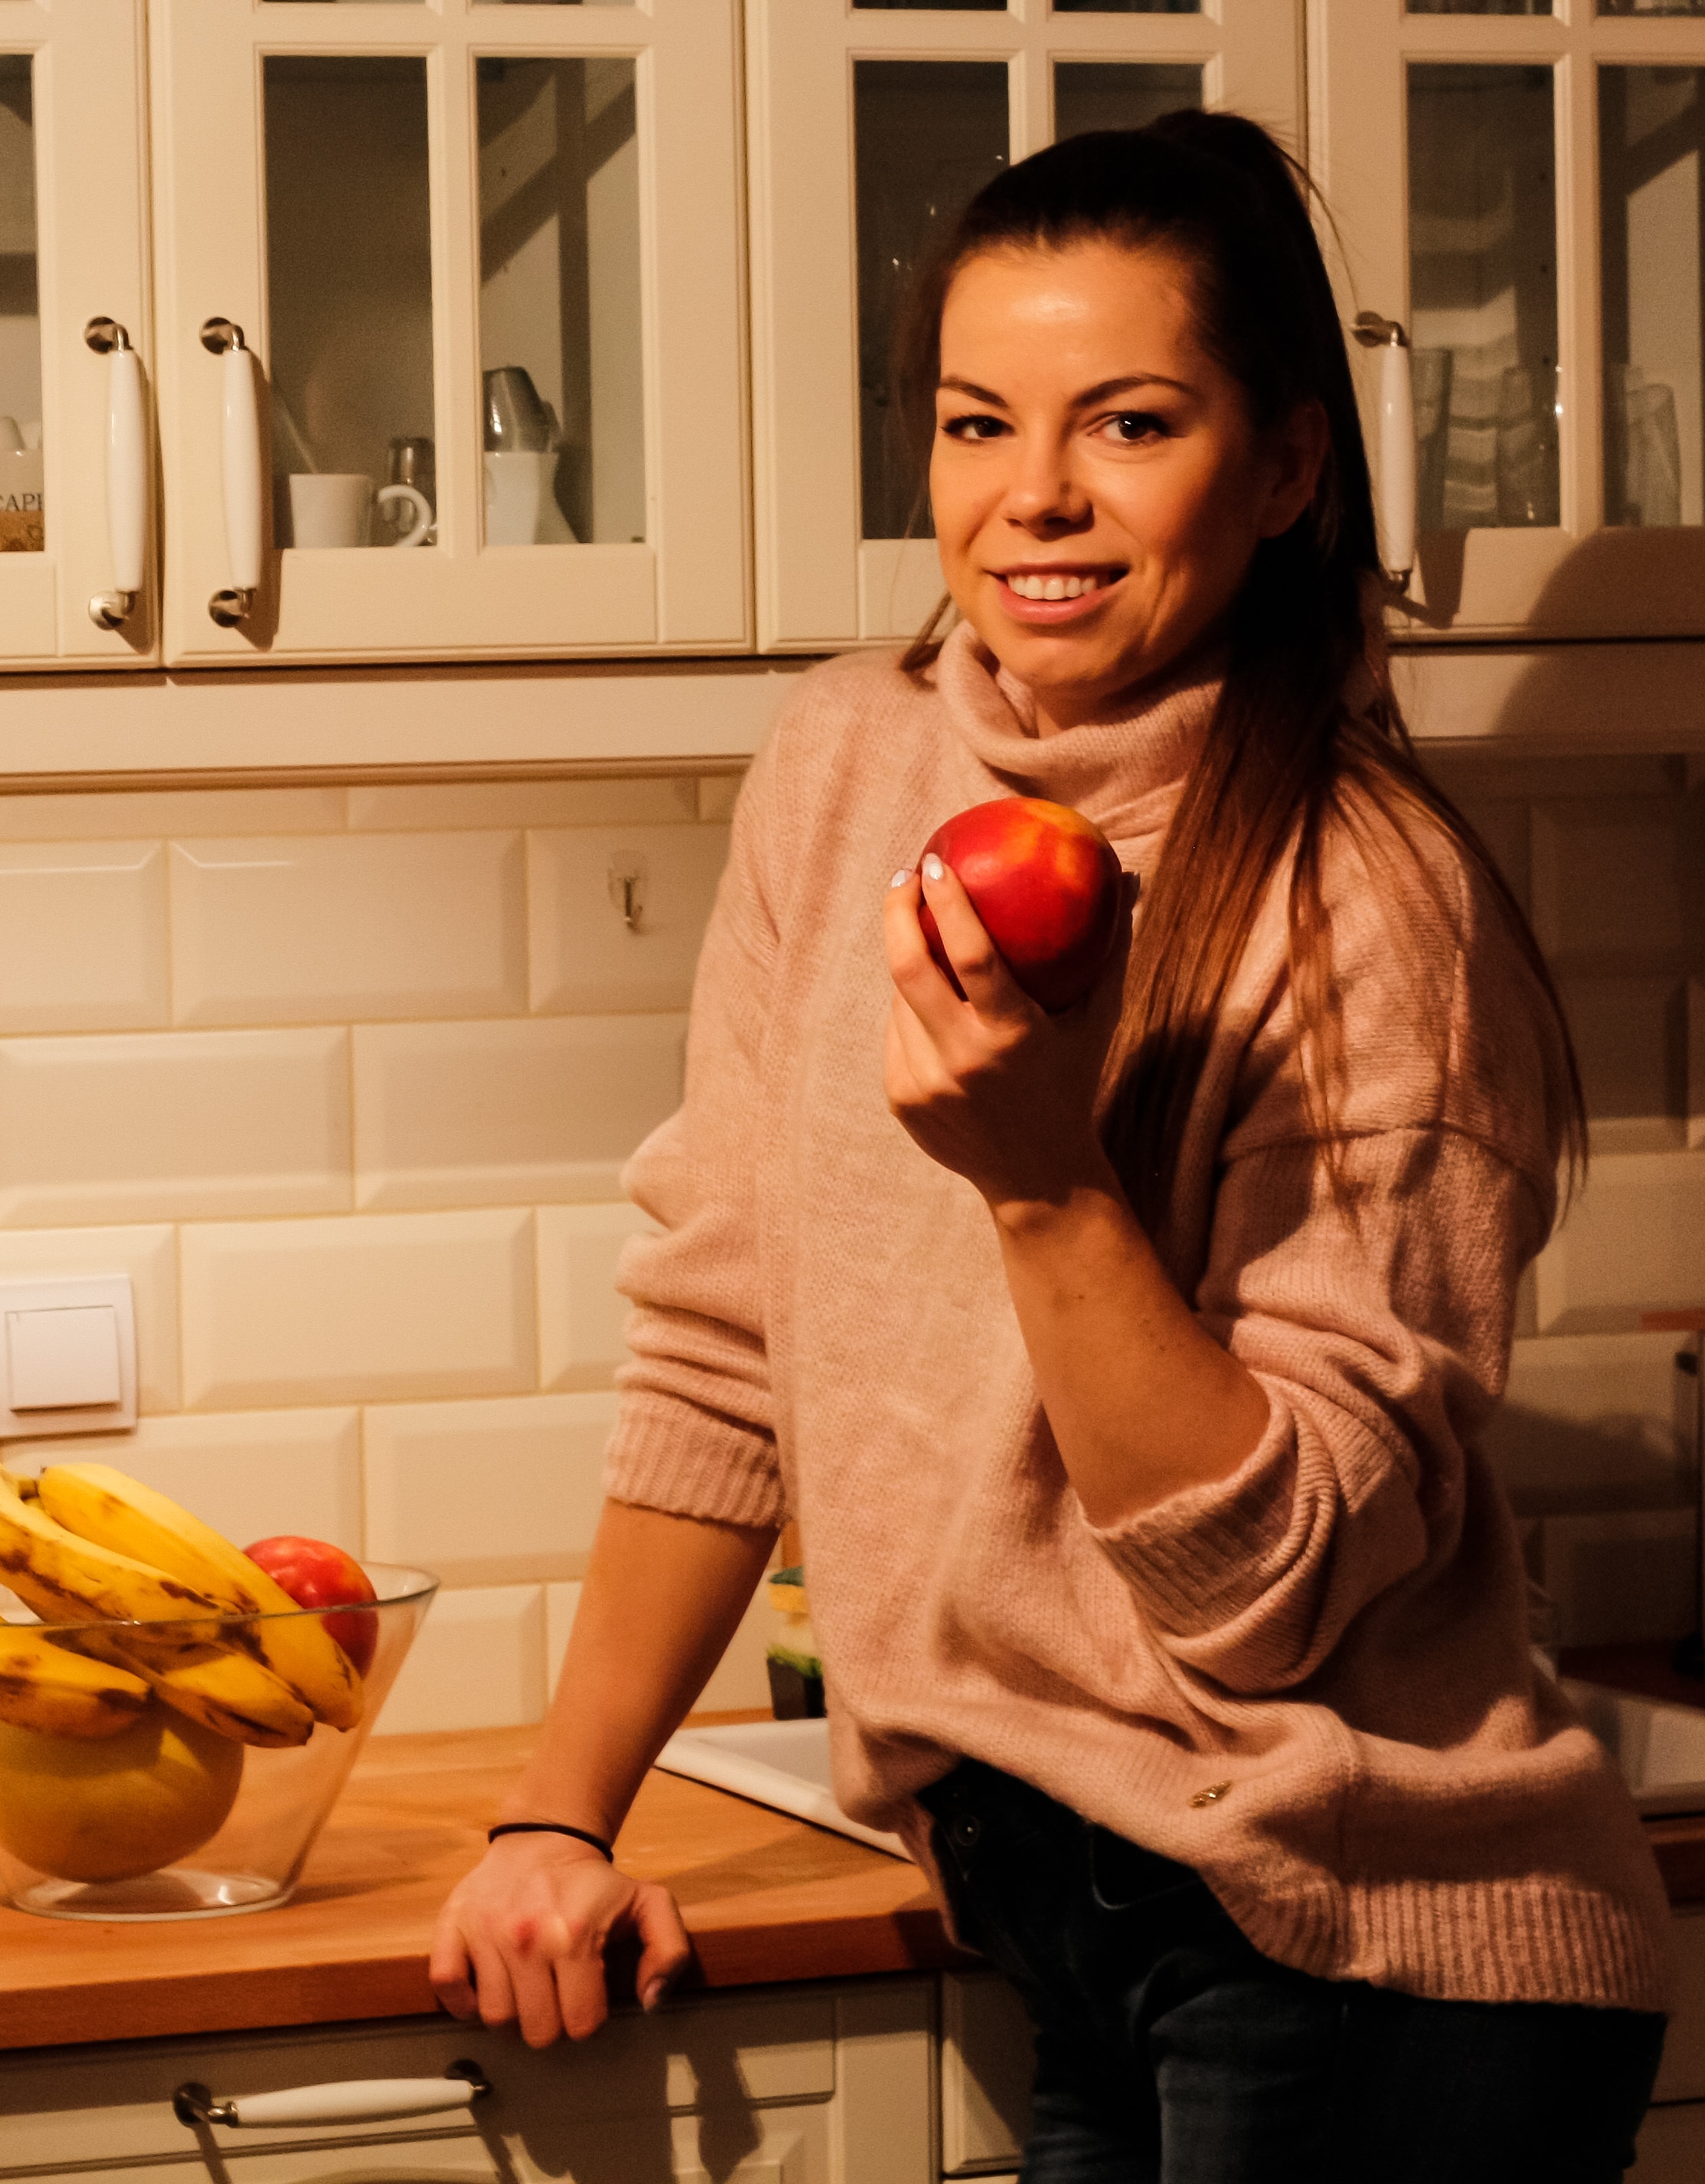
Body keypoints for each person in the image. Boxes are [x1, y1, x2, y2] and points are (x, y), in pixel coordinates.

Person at [429, 111, 1675, 2181]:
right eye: (976, 423)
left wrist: (1042, 1181)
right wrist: (557, 1816)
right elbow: (727, 1341)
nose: (1036, 499)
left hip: (1356, 1946)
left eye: (1132, 424)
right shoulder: (851, 762)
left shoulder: (1370, 906)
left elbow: (1272, 1588)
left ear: (1287, 467)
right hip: (1066, 1906)